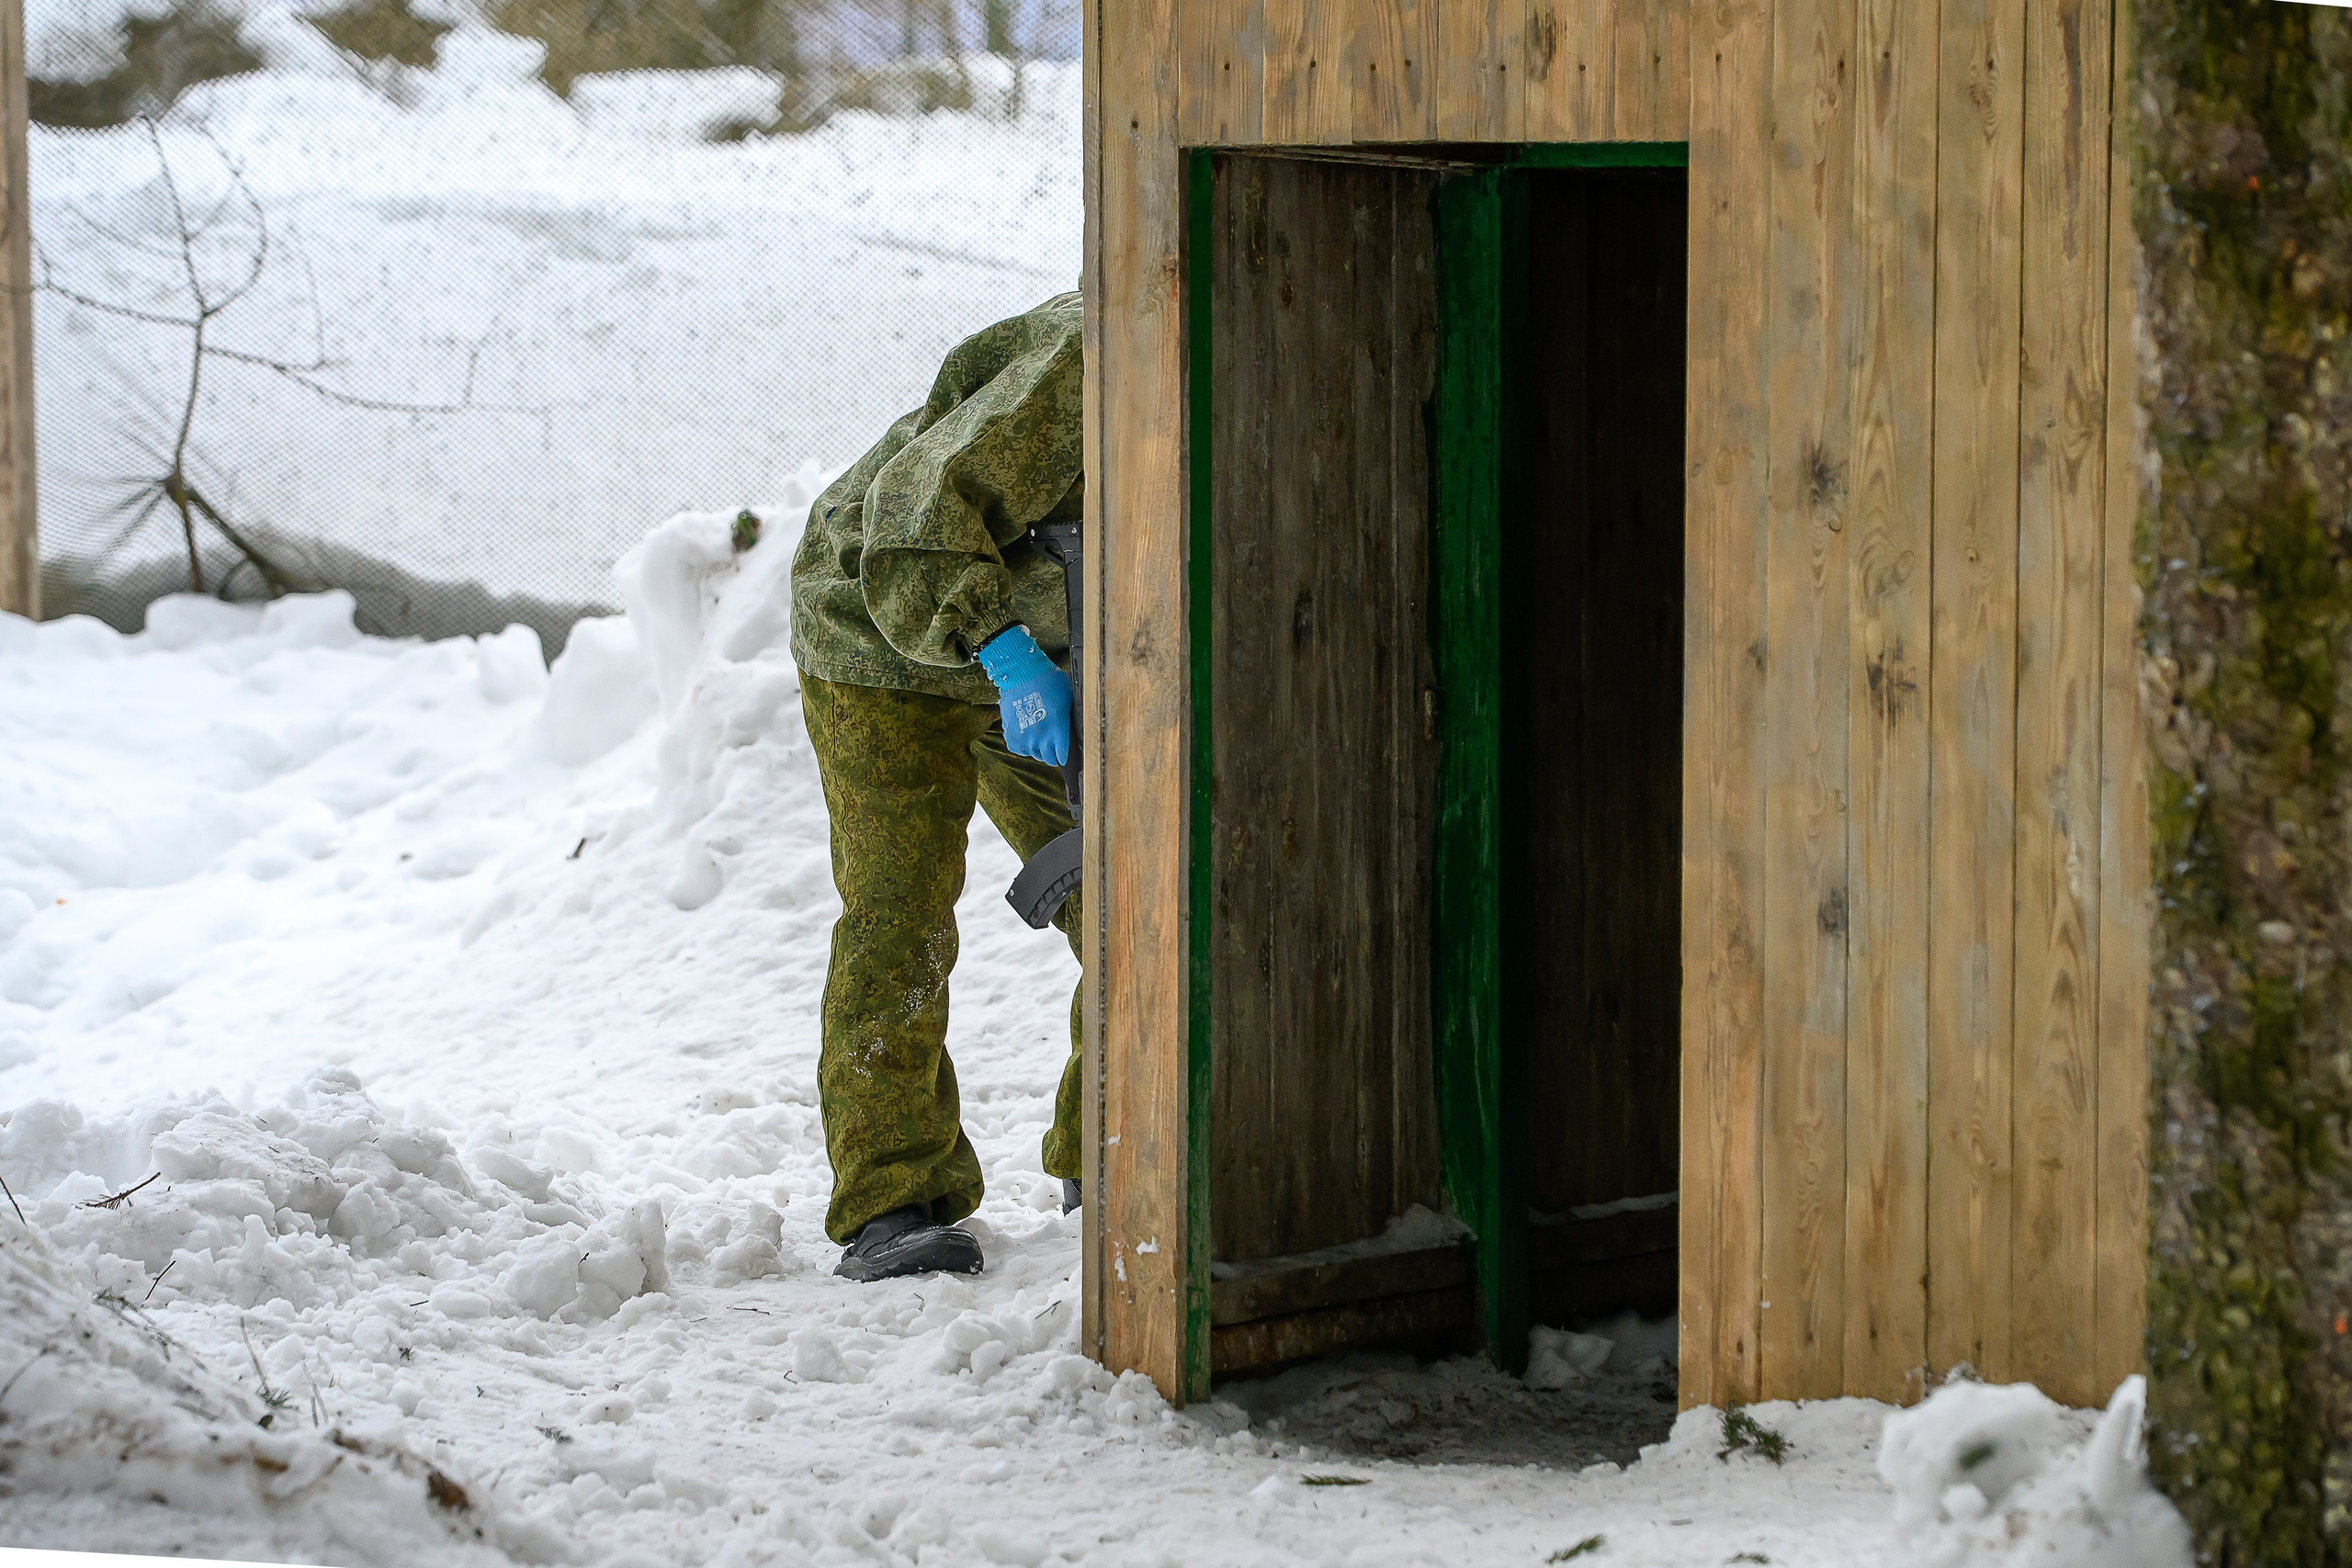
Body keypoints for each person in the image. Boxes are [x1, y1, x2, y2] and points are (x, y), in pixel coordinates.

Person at [787, 290, 1085, 1282]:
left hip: (1039, 653)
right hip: (875, 633)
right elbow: (915, 515)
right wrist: (1004, 653)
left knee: (1132, 895)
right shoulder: (1094, 354)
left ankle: (1113, 1149)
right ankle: (890, 1201)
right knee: (900, 913)